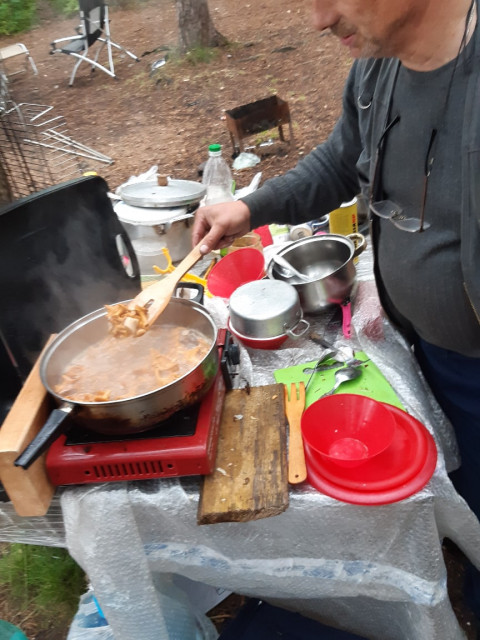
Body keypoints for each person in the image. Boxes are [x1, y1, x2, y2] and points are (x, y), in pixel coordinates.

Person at [192, 0, 480, 627]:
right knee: (452, 478)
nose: (320, 20)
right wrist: (251, 207)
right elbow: (343, 159)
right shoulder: (379, 68)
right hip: (417, 339)